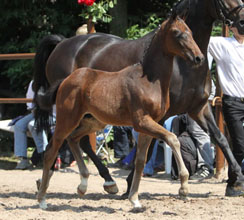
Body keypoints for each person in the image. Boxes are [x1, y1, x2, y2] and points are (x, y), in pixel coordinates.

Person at [208, 25, 244, 196]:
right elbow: (194, 37)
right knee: (239, 144)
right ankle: (233, 183)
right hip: (233, 102)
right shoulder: (221, 44)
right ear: (231, 27)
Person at [14, 80, 48, 169]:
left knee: (33, 125)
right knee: (18, 125)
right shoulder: (34, 82)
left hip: (49, 113)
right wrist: (33, 108)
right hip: (34, 112)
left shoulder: (52, 81)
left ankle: (44, 155)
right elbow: (29, 99)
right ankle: (23, 159)